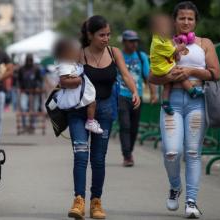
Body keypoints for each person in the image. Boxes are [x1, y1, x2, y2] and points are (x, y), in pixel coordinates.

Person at [149, 2, 220, 218]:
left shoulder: (204, 43)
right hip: (173, 102)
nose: (186, 22)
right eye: (182, 18)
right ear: (174, 21)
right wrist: (169, 77)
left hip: (196, 102)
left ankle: (191, 201)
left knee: (192, 152)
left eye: (190, 18)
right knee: (171, 152)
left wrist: (190, 70)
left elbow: (215, 73)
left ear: (195, 21)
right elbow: (152, 76)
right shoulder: (164, 42)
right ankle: (175, 186)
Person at [65, 15, 140, 219]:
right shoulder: (79, 53)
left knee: (98, 159)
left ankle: (96, 201)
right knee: (81, 155)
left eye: (108, 34)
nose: (106, 38)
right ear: (90, 35)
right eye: (101, 35)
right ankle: (78, 200)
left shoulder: (114, 52)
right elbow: (64, 77)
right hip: (79, 112)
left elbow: (125, 74)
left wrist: (134, 91)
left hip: (105, 111)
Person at [150, 13, 203, 115]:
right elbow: (173, 50)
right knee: (180, 72)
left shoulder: (161, 38)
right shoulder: (158, 42)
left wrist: (175, 47)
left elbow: (171, 49)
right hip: (161, 68)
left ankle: (165, 103)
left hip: (161, 66)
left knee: (167, 85)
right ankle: (192, 91)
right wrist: (181, 47)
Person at [118, 30, 155, 167]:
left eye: (136, 41)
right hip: (121, 95)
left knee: (134, 127)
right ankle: (127, 156)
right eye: (131, 41)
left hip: (136, 96)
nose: (134, 44)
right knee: (125, 125)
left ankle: (129, 152)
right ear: (124, 42)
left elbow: (148, 76)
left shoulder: (141, 56)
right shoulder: (118, 56)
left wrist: (153, 94)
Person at [53, 38, 103, 134]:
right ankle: (90, 122)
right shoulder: (65, 64)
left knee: (92, 102)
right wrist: (78, 80)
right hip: (74, 93)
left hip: (78, 92)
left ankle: (90, 121)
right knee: (92, 102)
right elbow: (63, 81)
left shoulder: (72, 63)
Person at [17, 54, 42, 133]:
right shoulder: (22, 69)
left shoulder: (36, 69)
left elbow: (40, 80)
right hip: (24, 91)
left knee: (34, 108)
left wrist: (38, 87)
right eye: (28, 60)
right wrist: (19, 87)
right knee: (24, 108)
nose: (29, 62)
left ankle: (32, 125)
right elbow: (19, 80)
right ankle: (24, 125)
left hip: (34, 92)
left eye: (30, 60)